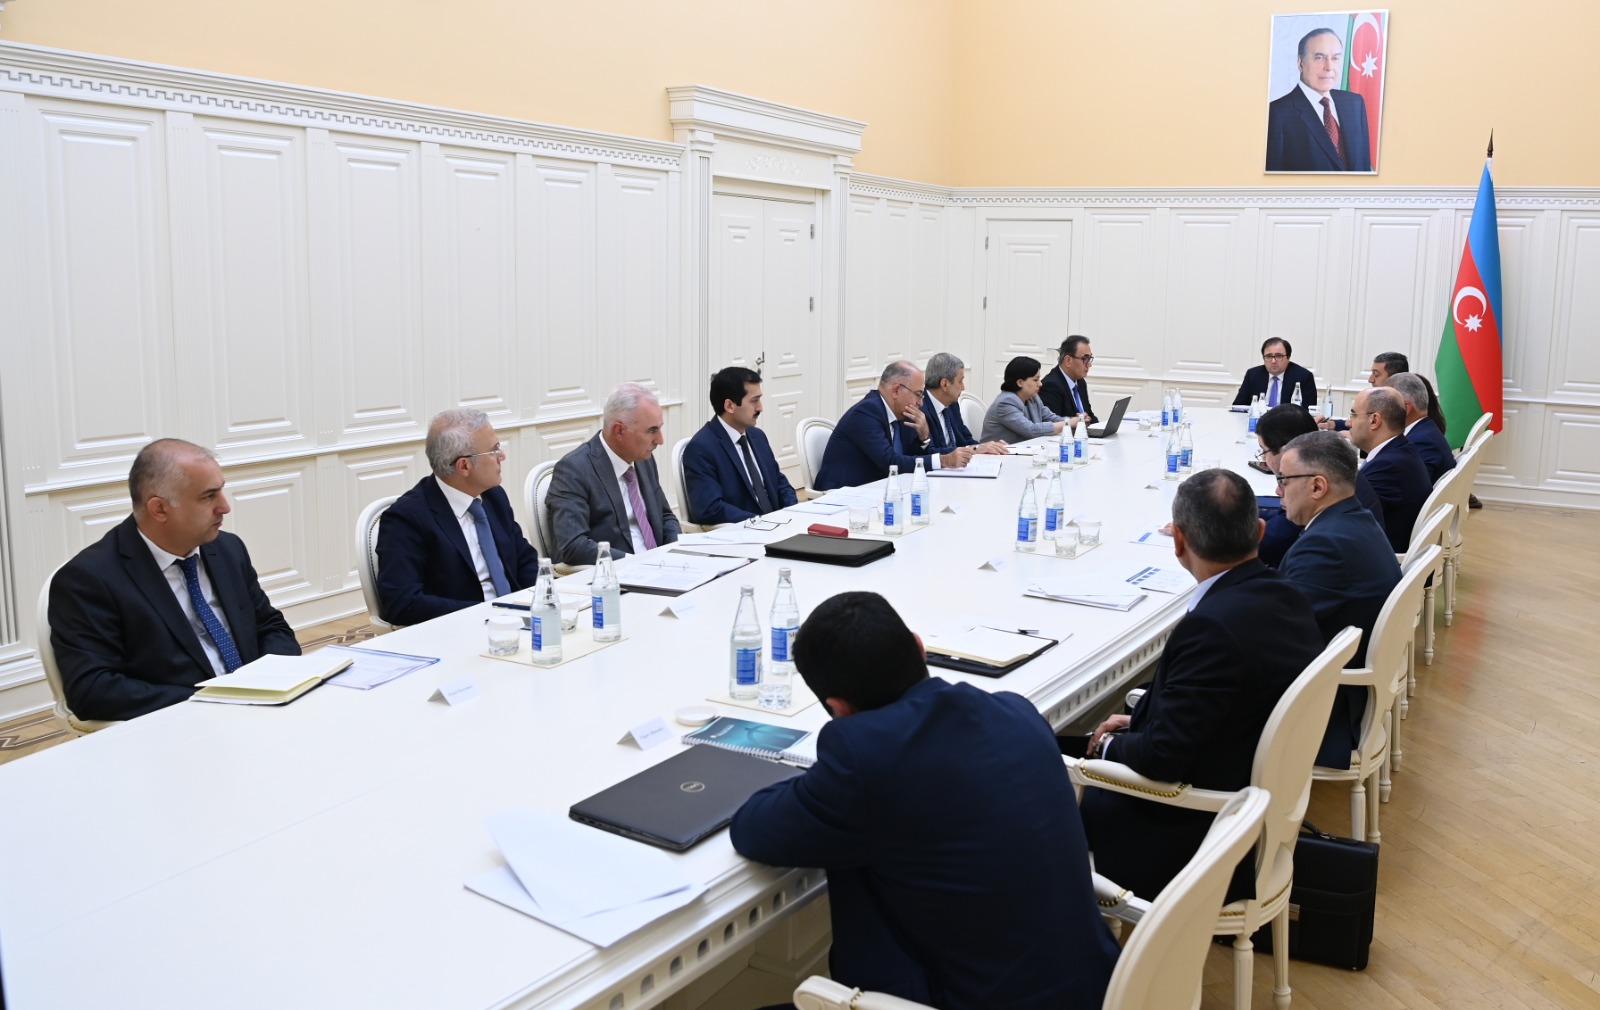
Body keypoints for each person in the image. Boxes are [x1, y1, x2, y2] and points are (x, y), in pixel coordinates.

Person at [731, 591, 1119, 1010]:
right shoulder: (1016, 711)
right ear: (920, 648)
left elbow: (754, 829)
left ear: (837, 708)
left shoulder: (865, 761)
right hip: (1100, 990)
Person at [1080, 469, 1322, 902]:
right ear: (1260, 531)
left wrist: (1107, 747)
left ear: (1178, 541)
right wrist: (1141, 720)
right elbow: (1220, 703)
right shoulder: (1286, 594)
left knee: (1036, 772)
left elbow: (1163, 759)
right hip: (1246, 794)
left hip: (1193, 835)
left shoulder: (1211, 627)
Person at [47, 438, 300, 721]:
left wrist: (271, 680)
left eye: (221, 490)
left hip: (263, 709)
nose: (225, 506)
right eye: (209, 496)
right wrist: (215, 700)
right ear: (159, 509)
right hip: (181, 726)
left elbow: (270, 625)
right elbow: (92, 691)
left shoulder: (227, 549)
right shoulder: (89, 579)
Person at [1276, 432, 1402, 768]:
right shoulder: (1354, 520)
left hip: (1323, 712)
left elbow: (1276, 636)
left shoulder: (1325, 546)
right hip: (1346, 690)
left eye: (1283, 480)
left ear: (1317, 486)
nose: (1278, 491)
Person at [376, 409, 541, 626]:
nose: (502, 456)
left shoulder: (493, 497)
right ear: (464, 466)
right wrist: (486, 613)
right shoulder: (406, 519)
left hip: (517, 620)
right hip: (462, 629)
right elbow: (401, 603)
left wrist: (539, 600)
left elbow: (524, 559)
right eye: (494, 450)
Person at [548, 382, 680, 563]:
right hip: (617, 572)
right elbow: (573, 546)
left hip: (662, 565)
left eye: (659, 428)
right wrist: (635, 563)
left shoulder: (643, 460)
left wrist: (675, 551)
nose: (660, 440)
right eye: (652, 430)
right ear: (619, 430)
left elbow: (665, 517)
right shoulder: (574, 470)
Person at [1256, 404, 1386, 566]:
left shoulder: (1320, 543)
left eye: (1263, 451)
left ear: (1286, 450)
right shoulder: (1335, 467)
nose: (1278, 491)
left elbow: (1269, 542)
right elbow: (1281, 518)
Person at [812, 362, 973, 492]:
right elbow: (890, 462)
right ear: (896, 390)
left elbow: (909, 455)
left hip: (878, 490)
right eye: (918, 394)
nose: (920, 403)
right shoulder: (866, 412)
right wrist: (944, 460)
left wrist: (924, 438)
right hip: (842, 495)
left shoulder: (900, 413)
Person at [681, 367, 798, 526]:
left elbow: (780, 483)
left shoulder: (758, 436)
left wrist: (793, 511)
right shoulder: (701, 449)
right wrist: (761, 522)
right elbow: (709, 509)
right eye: (754, 401)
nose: (760, 408)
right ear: (730, 406)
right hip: (745, 532)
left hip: (780, 526)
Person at [1265, 27, 1373, 172]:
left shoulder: (1355, 104)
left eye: (1335, 58)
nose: (1329, 67)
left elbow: (1364, 167)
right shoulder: (1277, 114)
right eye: (1319, 57)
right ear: (1300, 62)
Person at [1346, 386, 1432, 552]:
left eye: (1353, 415)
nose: (1348, 423)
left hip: (1381, 556)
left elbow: (1350, 520)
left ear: (1374, 420)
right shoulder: (1401, 451)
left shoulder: (1387, 467)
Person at [920, 352, 1006, 455]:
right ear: (945, 384)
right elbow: (929, 453)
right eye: (960, 381)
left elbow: (966, 440)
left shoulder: (952, 404)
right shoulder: (920, 409)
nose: (963, 387)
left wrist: (986, 448)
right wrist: (973, 449)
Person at [979, 356, 1069, 443]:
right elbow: (1031, 430)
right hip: (996, 452)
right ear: (1020, 382)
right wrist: (1068, 424)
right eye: (1035, 380)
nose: (1040, 384)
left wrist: (1074, 421)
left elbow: (1051, 418)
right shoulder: (1005, 402)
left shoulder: (1033, 398)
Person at [1387, 372, 1457, 482]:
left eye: (1386, 404)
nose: (1380, 411)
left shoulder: (1420, 442)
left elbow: (1408, 487)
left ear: (1406, 408)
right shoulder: (1425, 431)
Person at [1320, 351, 1409, 430]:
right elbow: (1363, 424)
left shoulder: (1401, 406)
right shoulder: (1382, 399)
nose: (1370, 380)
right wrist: (1334, 425)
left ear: (1394, 378)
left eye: (1376, 374)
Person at [1234, 337, 1317, 408]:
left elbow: (1308, 411)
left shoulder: (1304, 377)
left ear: (1288, 357)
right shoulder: (1253, 374)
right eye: (1268, 356)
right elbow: (1238, 406)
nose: (1273, 361)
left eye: (1278, 356)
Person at [1038, 335, 1097, 424]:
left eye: (1090, 358)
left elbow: (1089, 415)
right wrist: (1079, 422)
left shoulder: (1080, 382)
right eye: (1085, 359)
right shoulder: (1050, 385)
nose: (1089, 364)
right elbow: (1053, 424)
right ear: (1068, 360)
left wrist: (1102, 429)